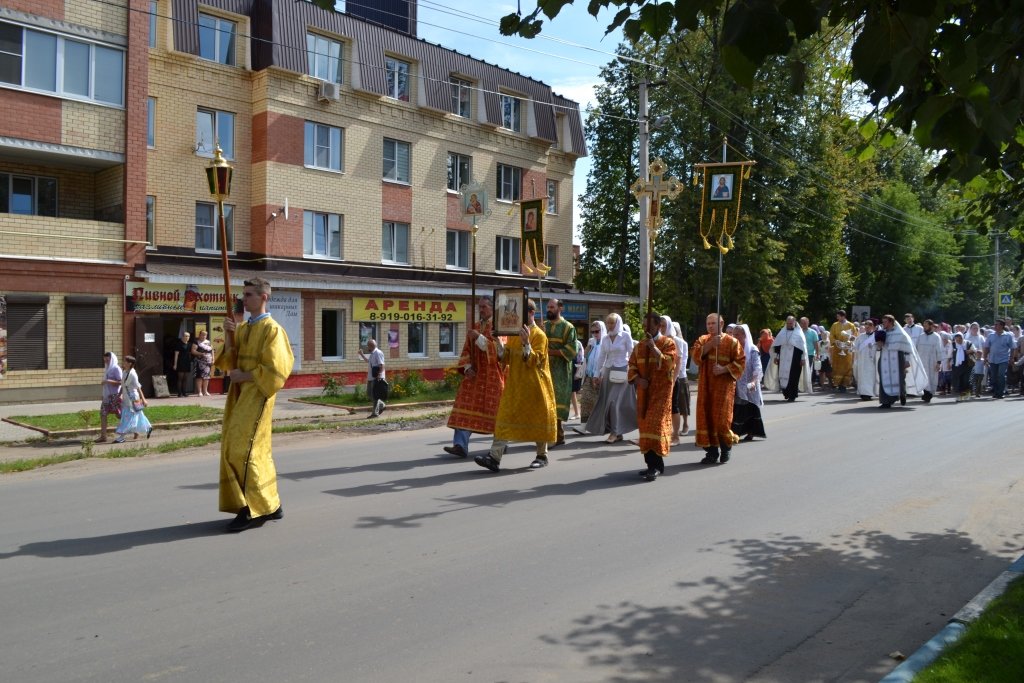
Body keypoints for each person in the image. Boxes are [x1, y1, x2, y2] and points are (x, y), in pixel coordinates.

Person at [216, 276, 293, 532]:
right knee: (235, 447)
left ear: (264, 297)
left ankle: (253, 510)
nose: (244, 299)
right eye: (244, 294)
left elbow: (277, 370)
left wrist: (246, 376)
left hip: (258, 395)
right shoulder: (242, 329)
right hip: (239, 394)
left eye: (249, 294)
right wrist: (229, 335)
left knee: (244, 450)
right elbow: (228, 362)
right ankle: (269, 504)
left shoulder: (273, 330)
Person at [475, 299, 557, 472]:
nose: (517, 316)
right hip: (515, 384)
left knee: (538, 419)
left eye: (522, 312)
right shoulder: (513, 335)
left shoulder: (539, 335)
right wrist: (499, 343)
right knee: (504, 418)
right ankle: (494, 458)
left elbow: (534, 361)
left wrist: (526, 342)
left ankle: (542, 456)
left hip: (535, 386)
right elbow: (505, 358)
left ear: (532, 313)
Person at [444, 296, 505, 458]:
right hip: (475, 375)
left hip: (493, 376)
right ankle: (460, 445)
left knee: (497, 410)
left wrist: (478, 337)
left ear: (492, 308)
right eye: (480, 307)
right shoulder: (475, 326)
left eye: (484, 307)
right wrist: (467, 367)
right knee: (463, 405)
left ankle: (500, 444)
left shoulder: (499, 327)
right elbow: (466, 350)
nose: (481, 310)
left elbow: (499, 352)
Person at [691, 313, 745, 464]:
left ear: (721, 324)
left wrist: (723, 369)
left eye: (713, 323)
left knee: (721, 419)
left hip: (723, 387)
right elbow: (695, 356)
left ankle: (726, 447)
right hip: (706, 385)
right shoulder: (703, 340)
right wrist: (710, 345)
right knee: (706, 417)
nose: (710, 326)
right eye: (708, 323)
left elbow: (741, 363)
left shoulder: (732, 342)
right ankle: (711, 452)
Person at [629, 311, 677, 481]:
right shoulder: (639, 346)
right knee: (645, 427)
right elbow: (632, 366)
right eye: (644, 325)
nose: (645, 328)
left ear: (658, 325)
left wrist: (654, 348)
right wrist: (638, 380)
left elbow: (669, 364)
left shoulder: (668, 343)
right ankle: (651, 464)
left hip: (661, 393)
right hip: (644, 392)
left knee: (655, 426)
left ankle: (656, 465)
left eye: (649, 325)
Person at [584, 312, 637, 443]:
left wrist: (632, 370)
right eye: (608, 322)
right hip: (608, 372)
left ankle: (614, 432)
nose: (609, 325)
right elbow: (602, 357)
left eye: (612, 322)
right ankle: (617, 432)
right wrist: (597, 374)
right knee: (607, 402)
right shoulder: (606, 338)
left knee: (614, 402)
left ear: (617, 323)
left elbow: (632, 354)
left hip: (622, 371)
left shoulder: (625, 336)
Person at [544, 298, 577, 446]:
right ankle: (552, 434)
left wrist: (549, 352)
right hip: (545, 369)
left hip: (561, 372)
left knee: (557, 402)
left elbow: (571, 350)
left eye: (552, 307)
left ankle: (557, 434)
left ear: (560, 308)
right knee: (545, 401)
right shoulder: (544, 326)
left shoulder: (568, 327)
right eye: (548, 307)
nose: (549, 309)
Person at [877, 314, 928, 408]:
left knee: (899, 379)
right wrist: (878, 345)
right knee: (884, 379)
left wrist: (907, 360)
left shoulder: (900, 333)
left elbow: (907, 348)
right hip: (884, 359)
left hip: (897, 359)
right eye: (883, 322)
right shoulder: (881, 332)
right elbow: (877, 347)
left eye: (885, 322)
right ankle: (886, 401)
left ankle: (902, 393)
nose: (883, 323)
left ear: (891, 322)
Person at [730, 324, 766, 442]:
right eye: (733, 335)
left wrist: (754, 381)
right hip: (737, 384)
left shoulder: (752, 350)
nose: (735, 337)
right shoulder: (733, 348)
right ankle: (735, 433)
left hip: (750, 384)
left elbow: (757, 367)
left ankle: (751, 432)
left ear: (744, 335)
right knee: (738, 408)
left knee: (751, 408)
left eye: (737, 335)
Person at [766, 316, 811, 401]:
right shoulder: (782, 333)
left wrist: (803, 358)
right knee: (782, 376)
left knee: (793, 378)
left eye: (791, 323)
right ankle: (786, 393)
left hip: (795, 360)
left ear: (794, 323)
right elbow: (777, 346)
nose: (789, 325)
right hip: (782, 359)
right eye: (788, 323)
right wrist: (776, 357)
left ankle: (792, 395)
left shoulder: (799, 333)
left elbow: (803, 348)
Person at [660, 316, 689, 444]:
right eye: (659, 325)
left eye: (663, 326)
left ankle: (676, 436)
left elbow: (679, 362)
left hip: (672, 378)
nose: (661, 328)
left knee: (673, 407)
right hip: (659, 378)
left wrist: (673, 379)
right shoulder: (658, 340)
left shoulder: (676, 340)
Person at [113, 355, 152, 443]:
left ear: (130, 363)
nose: (123, 362)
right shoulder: (124, 372)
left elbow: (138, 387)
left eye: (125, 361)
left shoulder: (133, 374)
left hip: (133, 398)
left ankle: (122, 436)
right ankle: (148, 427)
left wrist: (143, 399)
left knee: (128, 417)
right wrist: (119, 395)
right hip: (126, 398)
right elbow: (123, 386)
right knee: (139, 415)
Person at [578, 320, 604, 422]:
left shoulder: (605, 342)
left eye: (597, 331)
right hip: (589, 376)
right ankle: (584, 424)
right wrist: (588, 349)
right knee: (585, 400)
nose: (595, 334)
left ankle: (598, 424)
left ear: (602, 330)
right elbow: (586, 358)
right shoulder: (591, 342)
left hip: (600, 378)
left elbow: (605, 360)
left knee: (598, 402)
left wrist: (599, 375)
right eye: (592, 332)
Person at [984, 319, 1015, 399]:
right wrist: (985, 357)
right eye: (995, 324)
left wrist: (1011, 358)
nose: (995, 326)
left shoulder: (1008, 336)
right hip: (993, 359)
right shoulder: (991, 335)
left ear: (1002, 326)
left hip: (1003, 359)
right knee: (994, 377)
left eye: (997, 324)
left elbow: (1012, 348)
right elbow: (986, 347)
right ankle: (996, 392)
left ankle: (1001, 392)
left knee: (1001, 375)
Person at [829, 310, 858, 393]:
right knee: (837, 366)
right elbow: (831, 335)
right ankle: (838, 383)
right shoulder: (835, 325)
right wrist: (835, 341)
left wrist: (850, 341)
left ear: (843, 316)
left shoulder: (851, 325)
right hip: (837, 349)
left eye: (838, 316)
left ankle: (844, 385)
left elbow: (855, 335)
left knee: (847, 366)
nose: (837, 318)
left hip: (847, 349)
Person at [914, 319, 943, 403]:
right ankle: (924, 393)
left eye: (926, 326)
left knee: (931, 378)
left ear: (931, 326)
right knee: (922, 377)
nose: (924, 327)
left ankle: (929, 394)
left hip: (932, 361)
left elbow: (939, 350)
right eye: (924, 325)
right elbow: (916, 348)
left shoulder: (936, 337)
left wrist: (939, 362)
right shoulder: (921, 336)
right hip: (921, 361)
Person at [98, 351, 123, 443]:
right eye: (105, 360)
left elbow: (121, 382)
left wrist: (108, 381)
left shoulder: (116, 368)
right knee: (103, 413)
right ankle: (103, 436)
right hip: (107, 396)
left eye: (108, 360)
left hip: (115, 396)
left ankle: (134, 429)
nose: (106, 362)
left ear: (112, 359)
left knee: (119, 415)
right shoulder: (107, 369)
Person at [358, 339, 386, 417]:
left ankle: (375, 413)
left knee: (374, 395)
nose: (367, 347)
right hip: (371, 377)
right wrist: (362, 354)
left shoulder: (378, 353)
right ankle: (382, 405)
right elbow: (368, 361)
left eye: (368, 346)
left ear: (371, 346)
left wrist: (379, 375)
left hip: (377, 378)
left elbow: (382, 364)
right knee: (369, 394)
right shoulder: (372, 354)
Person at [852, 319, 879, 400]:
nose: (867, 329)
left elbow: (879, 348)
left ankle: (869, 393)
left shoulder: (876, 336)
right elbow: (856, 347)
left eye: (868, 327)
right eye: (866, 327)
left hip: (871, 360)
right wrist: (851, 343)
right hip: (862, 360)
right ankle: (862, 392)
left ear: (872, 327)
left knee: (869, 377)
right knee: (862, 377)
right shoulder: (860, 336)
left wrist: (873, 346)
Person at [950, 331, 975, 402]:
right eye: (957, 339)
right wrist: (949, 363)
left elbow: (974, 350)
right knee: (958, 380)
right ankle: (962, 395)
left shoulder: (968, 343)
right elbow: (950, 355)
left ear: (962, 338)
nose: (959, 340)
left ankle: (966, 394)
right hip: (957, 365)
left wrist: (969, 351)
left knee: (966, 380)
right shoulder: (953, 344)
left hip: (967, 365)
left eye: (960, 338)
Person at [965, 322, 987, 398]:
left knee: (979, 376)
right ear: (970, 329)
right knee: (971, 375)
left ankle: (978, 390)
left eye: (977, 328)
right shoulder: (967, 337)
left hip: (980, 359)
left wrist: (985, 358)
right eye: (974, 328)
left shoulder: (981, 337)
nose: (975, 329)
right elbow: (966, 348)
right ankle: (971, 390)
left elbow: (984, 348)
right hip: (971, 359)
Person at [191, 330, 215, 397]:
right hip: (199, 362)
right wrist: (200, 354)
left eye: (205, 335)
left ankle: (205, 391)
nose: (204, 336)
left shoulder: (208, 342)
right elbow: (193, 351)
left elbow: (212, 351)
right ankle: (199, 392)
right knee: (199, 377)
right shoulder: (196, 342)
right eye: (202, 334)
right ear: (199, 335)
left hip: (208, 362)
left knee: (206, 377)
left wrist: (213, 359)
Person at [800, 317, 819, 387]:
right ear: (800, 324)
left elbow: (816, 344)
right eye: (802, 323)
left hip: (809, 354)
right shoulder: (798, 332)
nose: (804, 324)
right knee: (799, 370)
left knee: (807, 370)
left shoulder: (813, 332)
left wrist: (817, 354)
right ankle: (800, 385)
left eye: (805, 323)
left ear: (808, 323)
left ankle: (806, 384)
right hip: (799, 354)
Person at [172, 330, 192, 397]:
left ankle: (184, 392)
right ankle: (179, 393)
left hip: (187, 362)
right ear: (182, 337)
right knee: (180, 378)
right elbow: (176, 354)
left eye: (188, 336)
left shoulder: (190, 344)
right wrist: (175, 364)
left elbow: (191, 353)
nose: (187, 337)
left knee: (185, 378)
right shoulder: (179, 344)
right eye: (186, 336)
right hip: (180, 362)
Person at [570, 336, 584, 419]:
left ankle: (577, 413)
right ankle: (576, 413)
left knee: (573, 392)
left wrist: (577, 373)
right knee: (572, 392)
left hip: (575, 368)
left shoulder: (577, 343)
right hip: (569, 368)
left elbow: (580, 359)